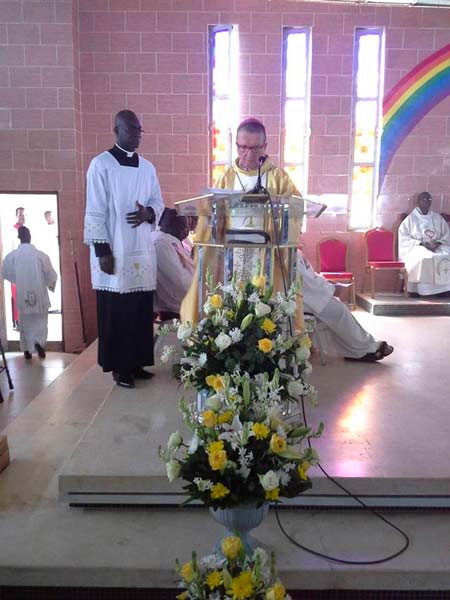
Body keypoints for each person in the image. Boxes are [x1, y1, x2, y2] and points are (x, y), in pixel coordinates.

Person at [180, 117, 301, 322]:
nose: (249, 154)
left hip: (267, 256)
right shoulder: (226, 178)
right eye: (243, 147)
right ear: (236, 145)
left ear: (265, 146)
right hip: (231, 255)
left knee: (264, 308)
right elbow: (209, 216)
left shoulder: (278, 178)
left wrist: (282, 215)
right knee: (232, 306)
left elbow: (296, 210)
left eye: (255, 148)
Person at [83, 109, 164, 389]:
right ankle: (120, 368)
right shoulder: (101, 165)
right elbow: (94, 210)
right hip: (115, 251)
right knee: (117, 312)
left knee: (140, 311)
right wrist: (102, 251)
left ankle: (137, 362)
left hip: (141, 249)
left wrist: (148, 213)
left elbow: (158, 202)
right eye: (131, 130)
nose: (137, 136)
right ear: (116, 130)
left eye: (140, 131)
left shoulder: (148, 168)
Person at [297, 250, 394, 362]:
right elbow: (304, 282)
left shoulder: (296, 251)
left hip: (311, 295)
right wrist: (331, 288)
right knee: (338, 311)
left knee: (338, 307)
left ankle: (363, 347)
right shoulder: (290, 253)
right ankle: (363, 350)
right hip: (303, 298)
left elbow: (311, 276)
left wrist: (328, 283)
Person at [2, 226, 57, 360]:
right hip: (39, 293)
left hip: (23, 293)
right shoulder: (40, 255)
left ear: (19, 238)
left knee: (24, 323)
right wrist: (50, 284)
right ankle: (38, 343)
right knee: (40, 322)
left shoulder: (12, 256)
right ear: (30, 237)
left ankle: (27, 349)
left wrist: (17, 280)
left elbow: (6, 272)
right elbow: (50, 274)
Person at [398, 192, 450, 296]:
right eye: (424, 200)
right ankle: (419, 290)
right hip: (418, 247)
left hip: (437, 246)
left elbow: (446, 234)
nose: (426, 202)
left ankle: (443, 289)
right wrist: (422, 244)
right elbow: (404, 237)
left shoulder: (437, 218)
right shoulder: (410, 219)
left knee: (446, 256)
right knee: (426, 258)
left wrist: (438, 243)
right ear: (418, 202)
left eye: (429, 200)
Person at [151, 208, 194, 321]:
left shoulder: (170, 241)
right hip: (173, 308)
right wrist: (198, 288)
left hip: (180, 301)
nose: (186, 232)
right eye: (183, 227)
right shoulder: (161, 245)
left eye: (187, 228)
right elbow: (178, 280)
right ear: (170, 226)